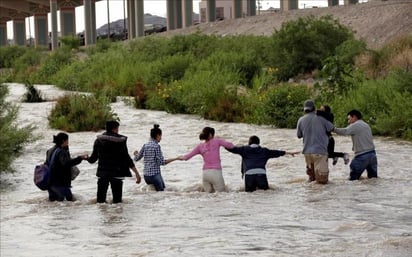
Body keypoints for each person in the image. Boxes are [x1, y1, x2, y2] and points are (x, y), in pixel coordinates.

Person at [87, 120, 141, 203]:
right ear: (114, 129)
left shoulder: (98, 140)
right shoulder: (120, 141)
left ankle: (101, 216)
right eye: (117, 128)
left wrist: (85, 158)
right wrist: (136, 173)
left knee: (100, 202)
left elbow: (93, 159)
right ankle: (116, 215)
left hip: (102, 174)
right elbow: (127, 158)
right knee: (117, 202)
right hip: (117, 173)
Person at [226, 135, 299, 192]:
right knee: (264, 192)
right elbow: (276, 153)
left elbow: (232, 149)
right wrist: (289, 153)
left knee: (249, 195)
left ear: (249, 143)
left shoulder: (244, 149)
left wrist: (221, 144)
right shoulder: (264, 151)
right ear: (258, 143)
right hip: (261, 174)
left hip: (249, 174)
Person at [179, 127, 234, 193]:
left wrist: (178, 158)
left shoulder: (200, 146)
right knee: (221, 195)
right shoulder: (217, 141)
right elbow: (231, 146)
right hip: (216, 173)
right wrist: (221, 139)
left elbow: (186, 157)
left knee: (207, 197)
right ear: (211, 135)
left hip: (205, 174)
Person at [297, 99, 334, 184]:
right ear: (314, 108)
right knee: (322, 182)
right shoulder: (321, 118)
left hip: (307, 153)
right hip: (320, 153)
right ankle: (321, 198)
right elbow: (331, 128)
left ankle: (311, 197)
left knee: (311, 180)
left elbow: (299, 135)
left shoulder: (301, 120)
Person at [333, 109, 378, 180]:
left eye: (349, 119)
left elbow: (345, 131)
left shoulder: (355, 125)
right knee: (373, 179)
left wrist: (333, 129)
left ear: (354, 117)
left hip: (362, 156)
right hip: (372, 155)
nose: (348, 122)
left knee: (353, 179)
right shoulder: (366, 125)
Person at [133, 124, 180, 191]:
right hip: (154, 175)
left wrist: (135, 154)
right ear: (158, 135)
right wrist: (176, 158)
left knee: (156, 193)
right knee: (161, 193)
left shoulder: (145, 145)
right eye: (161, 136)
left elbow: (136, 158)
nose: (161, 138)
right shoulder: (156, 146)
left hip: (146, 176)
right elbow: (162, 162)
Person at [46, 132, 88, 201]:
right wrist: (80, 158)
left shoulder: (50, 150)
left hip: (50, 182)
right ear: (63, 141)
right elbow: (66, 163)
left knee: (55, 205)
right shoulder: (61, 151)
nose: (68, 142)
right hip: (60, 183)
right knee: (69, 202)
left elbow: (47, 164)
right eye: (67, 140)